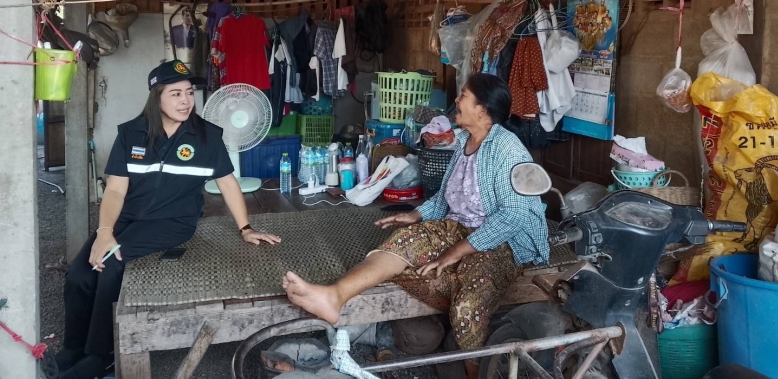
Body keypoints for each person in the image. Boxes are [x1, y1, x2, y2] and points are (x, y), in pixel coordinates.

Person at [283, 73, 549, 379]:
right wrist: (416, 215)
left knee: (467, 308)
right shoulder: (464, 142)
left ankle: (474, 373)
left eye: (463, 95)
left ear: (482, 110)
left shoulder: (507, 149)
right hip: (460, 228)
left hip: (503, 241)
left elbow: (513, 216)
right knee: (404, 241)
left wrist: (454, 253)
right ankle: (334, 296)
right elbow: (449, 197)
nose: (456, 100)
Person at [55, 60, 281, 379]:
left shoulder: (207, 136)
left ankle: (100, 356)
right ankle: (72, 349)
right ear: (156, 97)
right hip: (127, 218)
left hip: (173, 221)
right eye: (175, 94)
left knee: (110, 263)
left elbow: (228, 183)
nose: (186, 100)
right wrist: (105, 231)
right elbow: (116, 190)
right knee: (79, 273)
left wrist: (245, 228)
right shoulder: (131, 134)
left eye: (189, 92)